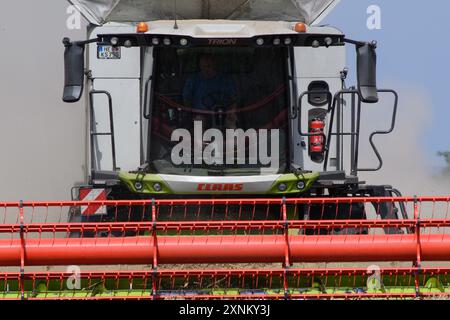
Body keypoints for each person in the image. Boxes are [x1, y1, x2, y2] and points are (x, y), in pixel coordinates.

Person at [183, 54, 238, 128]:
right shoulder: (193, 80)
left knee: (231, 124)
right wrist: (190, 114)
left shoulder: (226, 79)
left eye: (208, 66)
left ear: (215, 66)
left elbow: (233, 98)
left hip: (223, 113)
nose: (206, 69)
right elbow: (186, 99)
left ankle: (232, 139)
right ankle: (198, 140)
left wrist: (231, 112)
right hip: (200, 114)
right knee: (198, 124)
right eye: (203, 66)